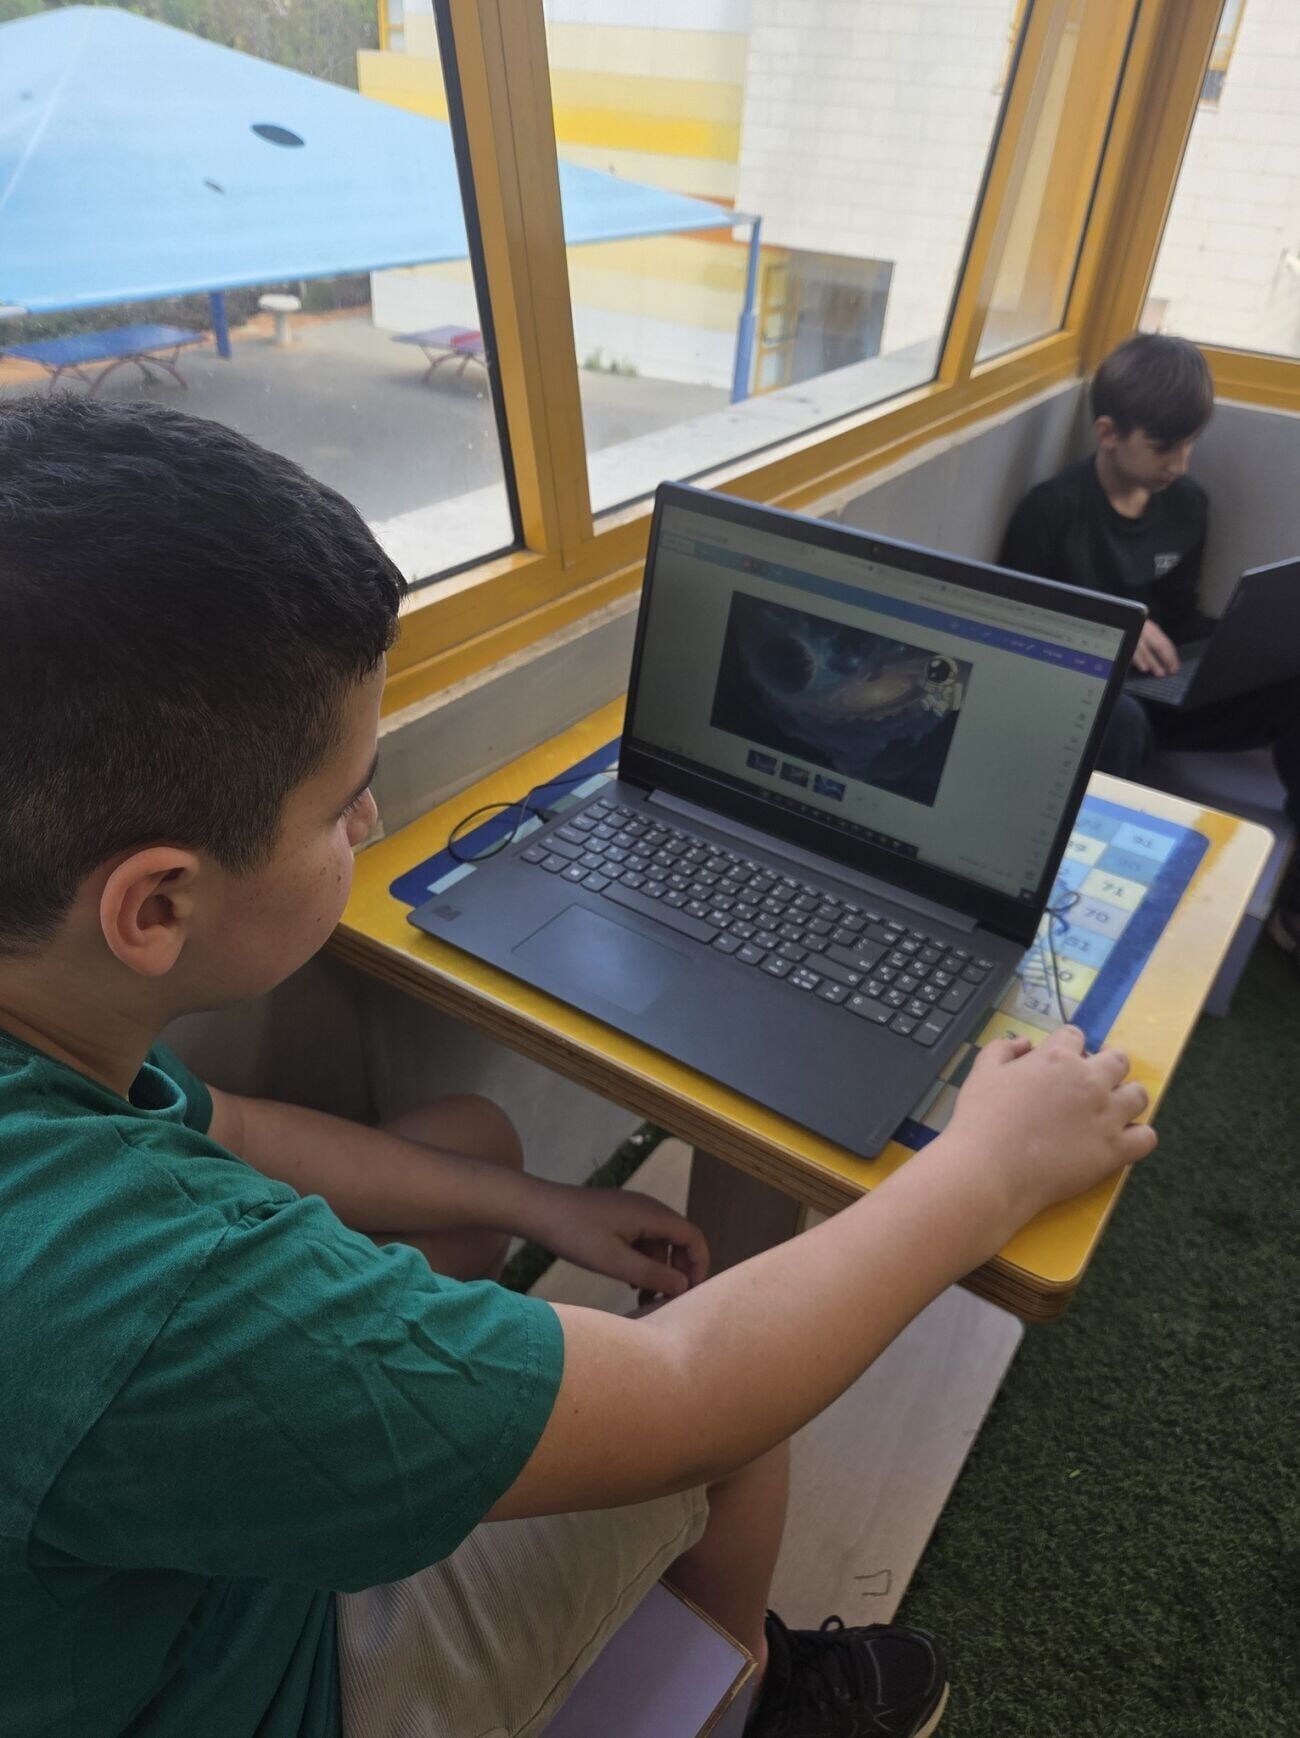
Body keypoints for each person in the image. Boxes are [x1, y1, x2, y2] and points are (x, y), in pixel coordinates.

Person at [0, 396, 1155, 1738]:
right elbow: (693, 1392)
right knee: (735, 1399)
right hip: (255, 1679)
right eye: (341, 802)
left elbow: (234, 1132)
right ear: (155, 906)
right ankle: (755, 1696)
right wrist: (990, 1166)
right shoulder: (153, 1294)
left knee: (470, 1146)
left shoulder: (57, 1053)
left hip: (94, 1586)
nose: (370, 816)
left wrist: (540, 1205)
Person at [998, 332, 1300, 955]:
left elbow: (1179, 615)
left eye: (1190, 444)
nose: (1180, 463)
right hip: (1088, 694)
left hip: (1165, 689)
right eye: (1165, 447)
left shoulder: (1186, 505)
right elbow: (1016, 632)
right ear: (1108, 433)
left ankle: (1291, 906)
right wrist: (1118, 626)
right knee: (1125, 723)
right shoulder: (1052, 510)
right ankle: (1079, 899)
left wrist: (1245, 646)